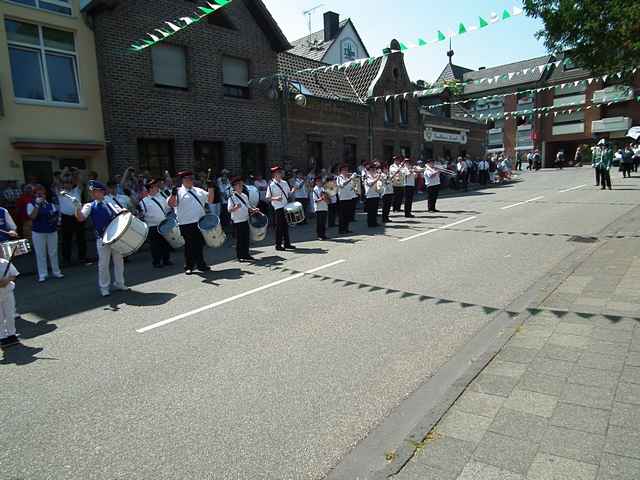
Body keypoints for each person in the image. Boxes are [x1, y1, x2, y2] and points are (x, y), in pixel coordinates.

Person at [75, 181, 128, 297]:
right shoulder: (89, 205)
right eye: (92, 192)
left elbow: (119, 212)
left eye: (95, 191)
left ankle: (120, 283)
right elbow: (81, 218)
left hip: (115, 236)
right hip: (102, 238)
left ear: (102, 192)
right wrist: (77, 208)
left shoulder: (110, 201)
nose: (93, 194)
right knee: (103, 264)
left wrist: (123, 212)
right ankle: (104, 287)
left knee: (119, 261)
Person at [168, 171, 214, 274]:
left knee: (199, 244)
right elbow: (171, 204)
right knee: (189, 245)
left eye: (191, 178)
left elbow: (210, 200)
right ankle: (189, 266)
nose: (190, 181)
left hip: (199, 222)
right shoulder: (178, 191)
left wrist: (211, 188)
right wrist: (173, 194)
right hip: (185, 223)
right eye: (187, 179)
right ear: (183, 180)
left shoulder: (199, 190)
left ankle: (201, 265)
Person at [27, 185, 63, 283]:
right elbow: (32, 217)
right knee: (40, 254)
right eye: (38, 193)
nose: (41, 195)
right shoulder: (31, 204)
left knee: (53, 252)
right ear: (35, 195)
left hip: (51, 231)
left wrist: (57, 221)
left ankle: (56, 271)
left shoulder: (50, 204)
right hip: (38, 232)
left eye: (42, 193)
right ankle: (42, 274)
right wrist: (37, 205)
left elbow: (56, 215)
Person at [139, 178, 173, 268]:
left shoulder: (161, 198)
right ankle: (157, 261)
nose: (157, 188)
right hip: (152, 225)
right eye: (155, 186)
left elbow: (167, 209)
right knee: (155, 245)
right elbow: (142, 214)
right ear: (150, 188)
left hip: (163, 224)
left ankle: (166, 259)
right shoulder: (143, 201)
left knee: (165, 242)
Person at [57, 176, 88, 265]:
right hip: (66, 218)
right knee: (66, 239)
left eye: (70, 183)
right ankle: (66, 259)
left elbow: (81, 183)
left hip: (78, 216)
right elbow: (57, 183)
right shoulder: (61, 192)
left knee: (81, 238)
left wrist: (76, 173)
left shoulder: (77, 190)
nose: (68, 184)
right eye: (66, 183)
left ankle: (82, 257)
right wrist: (63, 173)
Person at [266, 166, 296, 251]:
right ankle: (278, 245)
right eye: (278, 173)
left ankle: (287, 244)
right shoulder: (271, 185)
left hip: (286, 206)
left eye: (280, 172)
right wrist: (275, 198)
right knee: (279, 227)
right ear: (274, 174)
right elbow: (268, 198)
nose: (280, 174)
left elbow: (288, 194)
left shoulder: (285, 183)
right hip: (278, 208)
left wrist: (293, 191)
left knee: (286, 226)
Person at [228, 177, 258, 261]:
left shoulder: (244, 195)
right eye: (238, 185)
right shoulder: (232, 197)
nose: (241, 186)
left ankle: (246, 254)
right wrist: (235, 207)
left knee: (246, 238)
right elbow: (229, 210)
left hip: (245, 219)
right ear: (234, 187)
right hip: (237, 221)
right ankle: (240, 256)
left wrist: (254, 210)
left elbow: (248, 207)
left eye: (241, 184)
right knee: (239, 240)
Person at [0, 255, 19, 348]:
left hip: (7, 293)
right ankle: (2, 337)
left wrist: (7, 280)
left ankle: (12, 334)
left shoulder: (4, 262)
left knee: (10, 315)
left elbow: (14, 275)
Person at [336, 165, 356, 234]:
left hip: (349, 197)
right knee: (342, 215)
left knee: (348, 215)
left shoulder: (347, 177)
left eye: (347, 170)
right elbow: (342, 185)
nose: (346, 171)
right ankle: (341, 230)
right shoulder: (339, 177)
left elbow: (351, 187)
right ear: (341, 171)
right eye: (344, 170)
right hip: (342, 199)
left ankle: (346, 228)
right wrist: (350, 178)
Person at [364, 163, 381, 227]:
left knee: (375, 210)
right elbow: (370, 184)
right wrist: (377, 178)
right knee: (370, 211)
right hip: (370, 196)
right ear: (369, 170)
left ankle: (374, 222)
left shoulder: (374, 176)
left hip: (375, 194)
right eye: (373, 169)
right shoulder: (367, 176)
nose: (374, 170)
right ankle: (370, 223)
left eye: (375, 169)